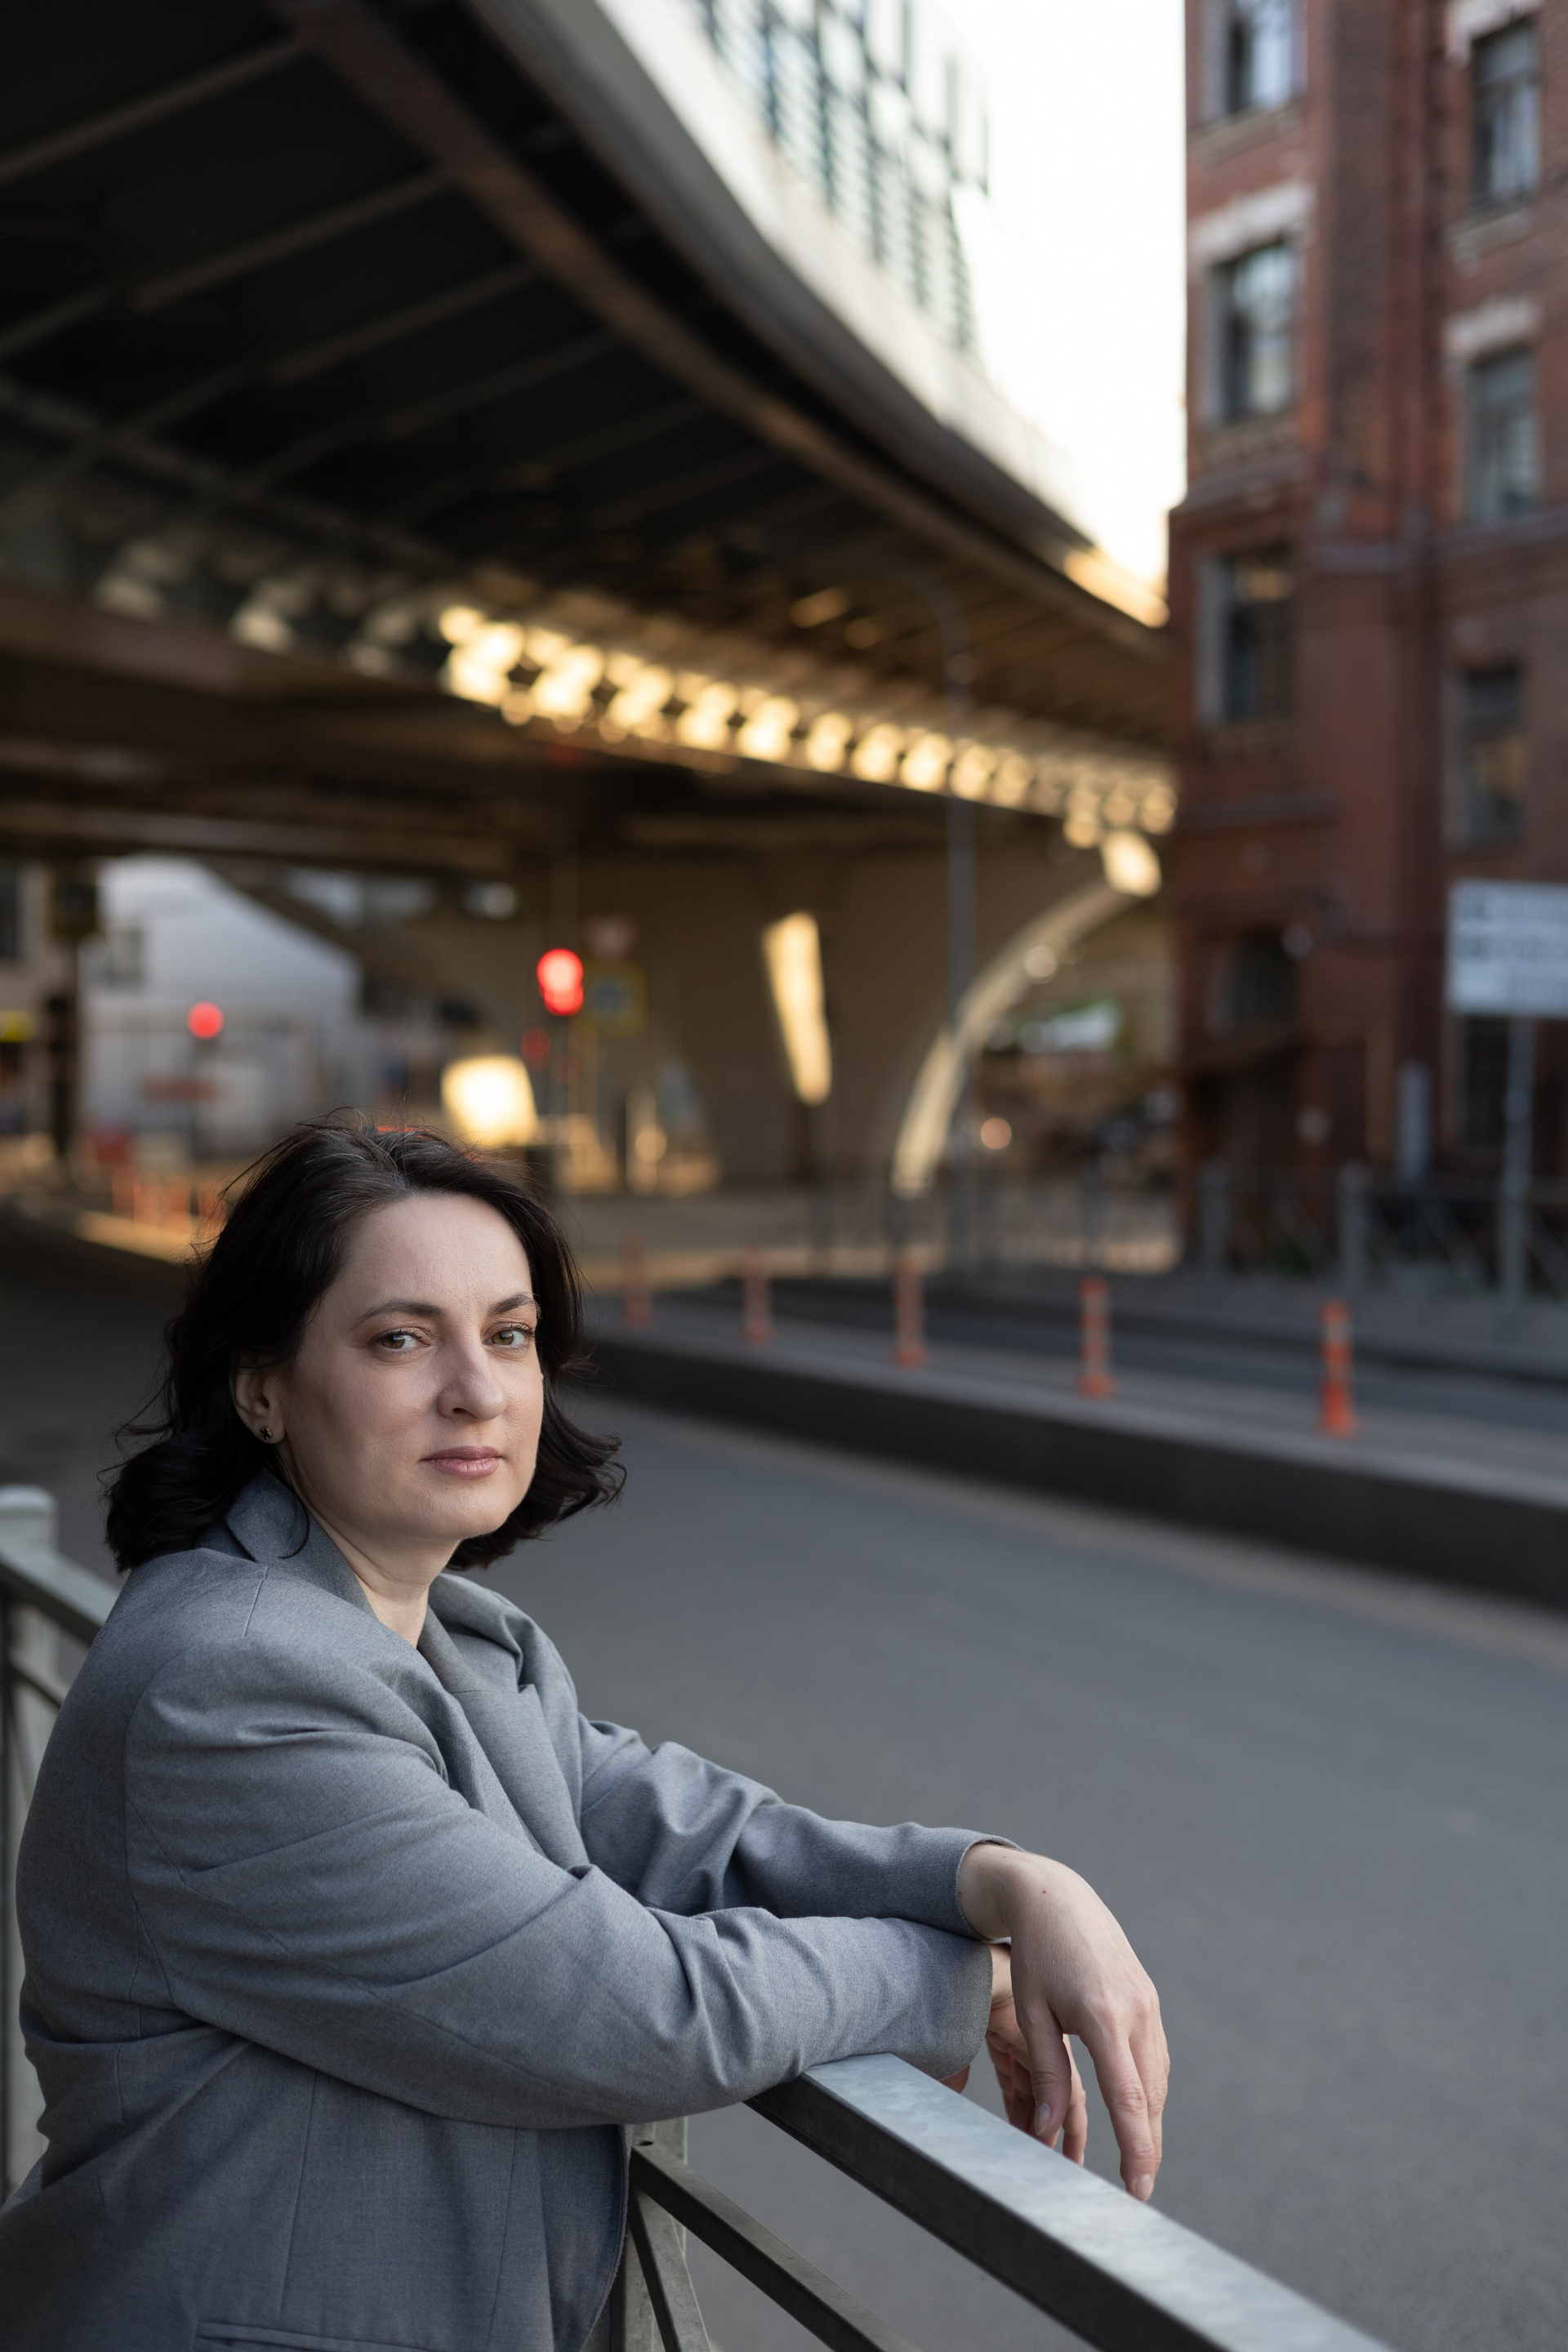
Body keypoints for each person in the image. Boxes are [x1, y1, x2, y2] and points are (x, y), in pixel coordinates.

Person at [1, 1118, 1167, 2352]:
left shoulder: (450, 1636)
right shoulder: (231, 1688)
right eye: (401, 1338)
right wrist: (959, 1975)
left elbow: (687, 1837)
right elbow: (637, 2011)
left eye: (508, 1334)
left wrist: (995, 1883)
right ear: (262, 1388)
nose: (477, 1388)